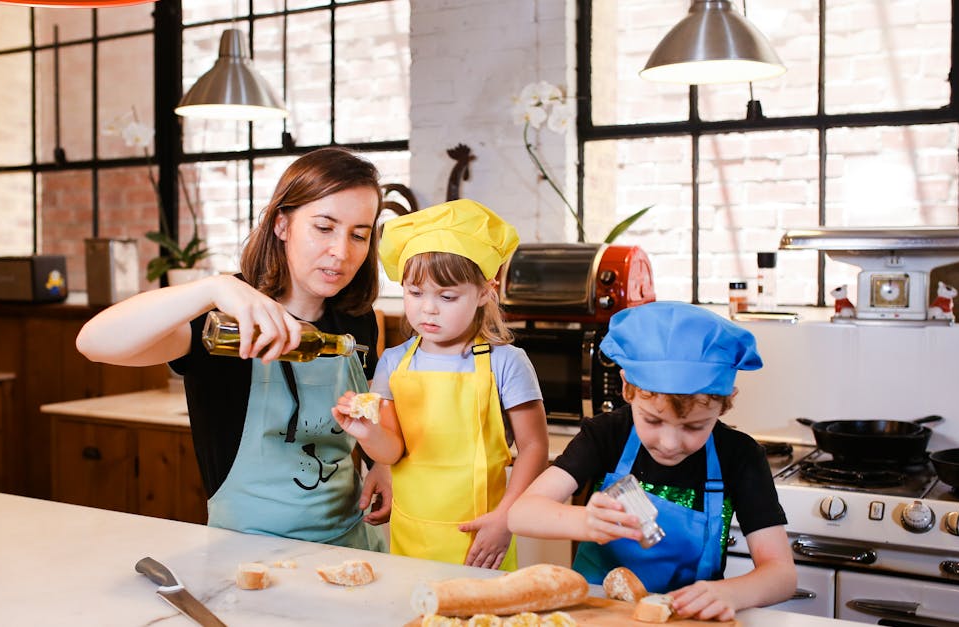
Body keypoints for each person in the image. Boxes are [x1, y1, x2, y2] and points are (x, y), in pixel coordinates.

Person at [76, 147, 389, 552]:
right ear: (282, 224)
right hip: (244, 553)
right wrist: (213, 287)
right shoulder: (220, 321)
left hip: (351, 542)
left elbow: (370, 409)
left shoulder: (359, 318)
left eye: (359, 235)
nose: (342, 252)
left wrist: (381, 462)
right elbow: (94, 342)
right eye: (324, 228)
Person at [508, 302, 795, 621]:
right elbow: (521, 514)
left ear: (725, 403)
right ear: (628, 389)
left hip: (687, 618)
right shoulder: (608, 435)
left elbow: (781, 575)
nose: (670, 444)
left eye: (694, 426)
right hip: (593, 614)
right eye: (653, 421)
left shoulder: (739, 455)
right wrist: (585, 521)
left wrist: (733, 592)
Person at [331, 199, 549, 571]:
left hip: (483, 536)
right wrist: (365, 432)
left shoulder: (506, 362)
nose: (428, 309)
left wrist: (505, 518)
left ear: (484, 292)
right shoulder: (393, 361)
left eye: (446, 297)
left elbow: (535, 447)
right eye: (415, 293)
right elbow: (392, 451)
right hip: (412, 534)